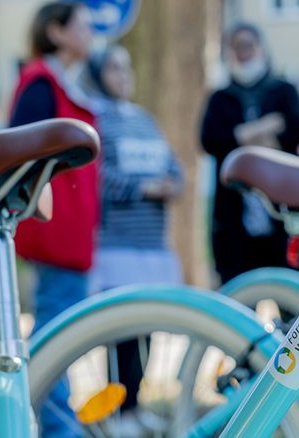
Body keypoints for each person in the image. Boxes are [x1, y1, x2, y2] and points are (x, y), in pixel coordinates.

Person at [84, 44, 184, 435]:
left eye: (127, 68)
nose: (123, 76)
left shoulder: (145, 119)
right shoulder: (97, 120)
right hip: (117, 245)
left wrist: (174, 185)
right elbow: (98, 175)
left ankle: (137, 405)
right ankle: (118, 410)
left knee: (147, 326)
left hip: (152, 245)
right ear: (97, 75)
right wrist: (144, 190)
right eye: (113, 68)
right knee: (121, 331)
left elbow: (173, 165)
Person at [8, 0, 97, 438]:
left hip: (69, 228)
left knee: (59, 324)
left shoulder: (59, 83)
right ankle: (59, 427)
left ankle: (58, 420)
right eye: (82, 25)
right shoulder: (42, 84)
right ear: (57, 32)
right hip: (56, 229)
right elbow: (20, 147)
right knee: (56, 329)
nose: (91, 31)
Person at [200, 22, 299, 284]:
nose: (244, 52)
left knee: (291, 293)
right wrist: (262, 129)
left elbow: (297, 129)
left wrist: (239, 138)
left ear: (262, 48)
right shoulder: (220, 98)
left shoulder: (283, 90)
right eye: (237, 47)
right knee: (238, 294)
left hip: (283, 215)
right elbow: (210, 140)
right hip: (234, 219)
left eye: (249, 45)